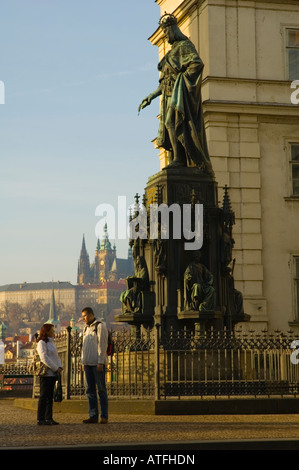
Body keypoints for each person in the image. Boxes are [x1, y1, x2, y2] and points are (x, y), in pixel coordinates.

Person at [138, 12, 213, 176]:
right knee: (168, 124)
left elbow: (196, 64)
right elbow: (164, 81)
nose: (165, 35)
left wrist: (183, 80)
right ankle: (177, 158)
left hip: (179, 94)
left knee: (173, 121)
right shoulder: (172, 51)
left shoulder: (185, 46)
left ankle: (179, 159)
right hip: (168, 95)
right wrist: (151, 96)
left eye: (166, 32)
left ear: (173, 30)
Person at [81, 307, 108, 424]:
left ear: (91, 315)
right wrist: (82, 361)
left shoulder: (100, 326)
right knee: (89, 390)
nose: (84, 318)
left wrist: (100, 361)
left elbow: (102, 345)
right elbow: (83, 347)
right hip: (87, 363)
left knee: (101, 390)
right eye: (82, 316)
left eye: (85, 316)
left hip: (97, 363)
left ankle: (104, 416)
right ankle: (93, 415)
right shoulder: (85, 328)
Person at [36, 323, 63, 425]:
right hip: (46, 373)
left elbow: (56, 357)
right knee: (43, 396)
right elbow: (44, 358)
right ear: (47, 332)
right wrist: (55, 367)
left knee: (50, 397)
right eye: (52, 331)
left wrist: (59, 366)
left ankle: (49, 417)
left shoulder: (52, 343)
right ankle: (40, 418)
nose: (54, 332)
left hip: (53, 373)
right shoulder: (42, 343)